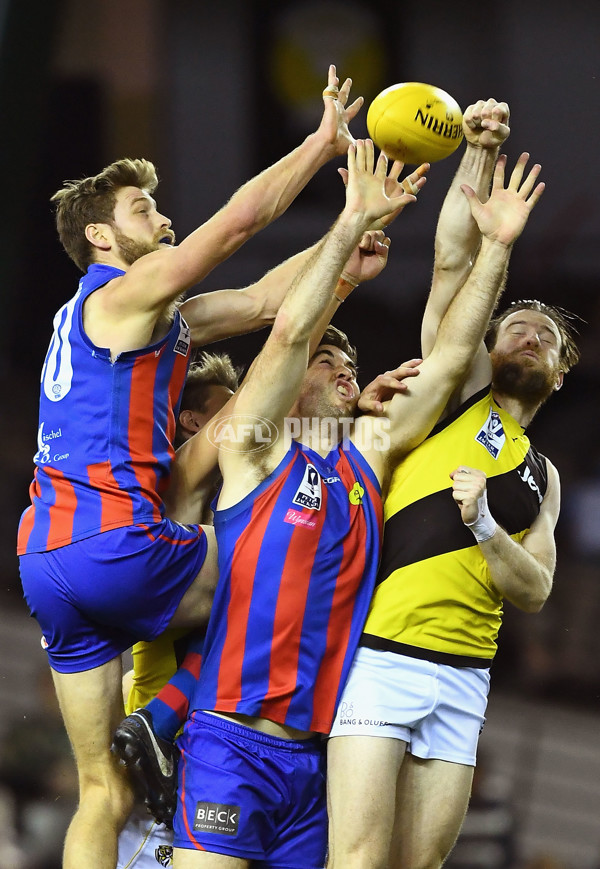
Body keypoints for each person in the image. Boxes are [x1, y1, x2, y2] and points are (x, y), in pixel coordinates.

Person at [16, 64, 365, 869]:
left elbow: (267, 300)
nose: (166, 219)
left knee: (101, 790)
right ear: (101, 238)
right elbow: (239, 225)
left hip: (47, 559)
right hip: (117, 544)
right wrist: (319, 147)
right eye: (144, 209)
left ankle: (156, 731)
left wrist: (346, 248)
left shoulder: (134, 320)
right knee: (278, 571)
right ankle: (171, 719)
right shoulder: (123, 293)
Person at [167, 137, 543, 866]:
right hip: (232, 739)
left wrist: (496, 249)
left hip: (316, 757)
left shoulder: (363, 458)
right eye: (329, 362)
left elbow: (444, 368)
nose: (345, 369)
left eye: (351, 362)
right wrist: (346, 232)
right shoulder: (254, 449)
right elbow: (287, 333)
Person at [326, 102, 580, 869]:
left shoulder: (546, 476)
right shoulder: (453, 391)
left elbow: (534, 588)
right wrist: (475, 151)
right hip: (381, 656)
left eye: (547, 337)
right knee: (359, 862)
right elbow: (451, 264)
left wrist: (487, 525)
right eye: (515, 325)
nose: (527, 333)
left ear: (562, 375)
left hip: (466, 680)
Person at [117, 352, 240, 869]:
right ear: (194, 420)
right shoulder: (181, 480)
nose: (249, 412)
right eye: (230, 407)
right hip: (159, 788)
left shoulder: (237, 494)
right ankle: (155, 722)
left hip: (204, 755)